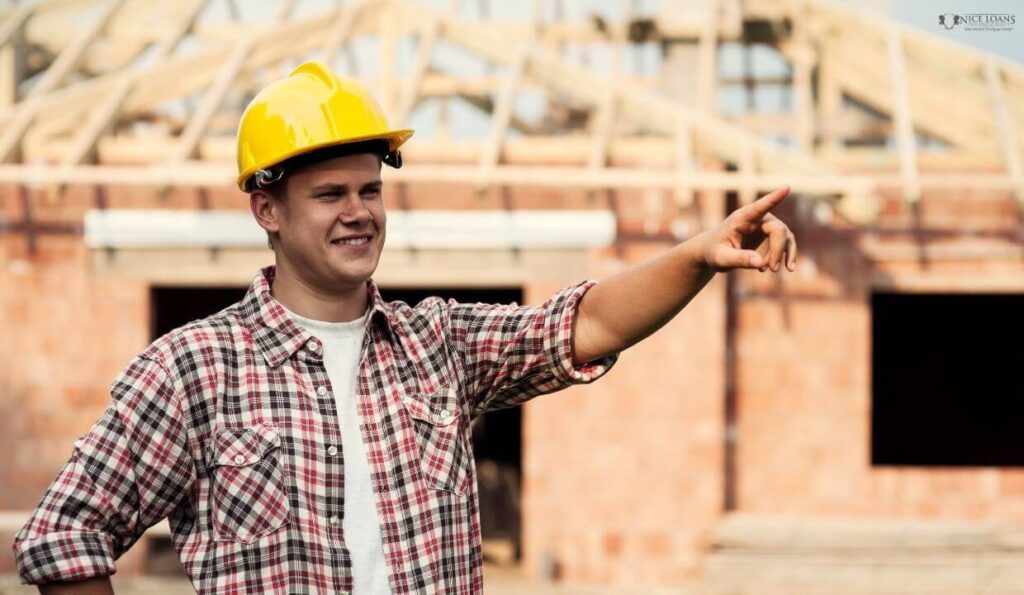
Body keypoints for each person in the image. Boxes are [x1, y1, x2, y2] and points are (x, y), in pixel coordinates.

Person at [13, 61, 797, 594]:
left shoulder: (436, 346)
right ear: (267, 210)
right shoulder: (194, 370)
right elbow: (64, 532)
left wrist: (699, 255)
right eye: (329, 194)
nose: (359, 211)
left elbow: (582, 324)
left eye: (369, 190)